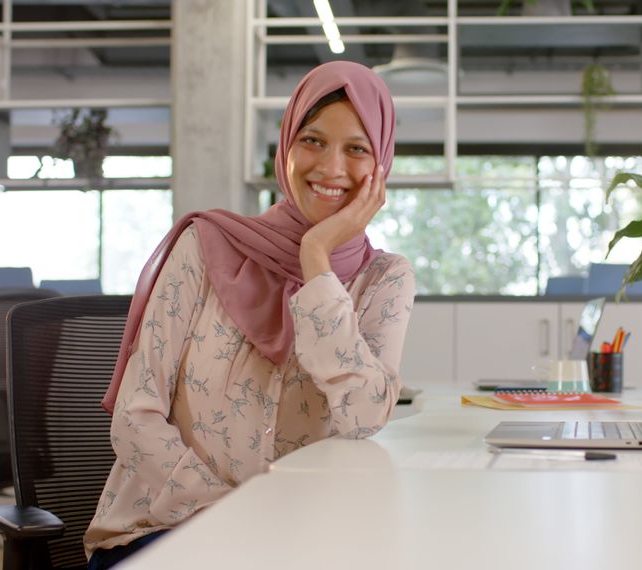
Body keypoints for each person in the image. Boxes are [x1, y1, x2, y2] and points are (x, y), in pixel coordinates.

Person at [84, 60, 414, 568]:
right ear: (285, 145)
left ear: (381, 165)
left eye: (356, 149)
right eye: (312, 140)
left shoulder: (385, 279)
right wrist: (237, 516)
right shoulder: (203, 245)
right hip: (165, 532)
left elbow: (364, 416)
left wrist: (316, 258)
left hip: (299, 543)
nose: (330, 168)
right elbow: (134, 419)